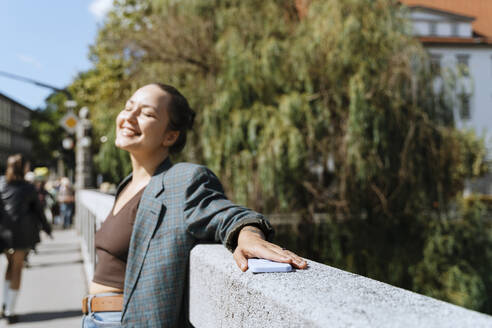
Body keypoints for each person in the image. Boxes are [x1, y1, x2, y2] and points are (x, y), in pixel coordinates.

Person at [81, 83, 308, 328]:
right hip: (95, 319)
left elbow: (230, 216)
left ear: (170, 136)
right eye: (128, 108)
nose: (129, 117)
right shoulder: (126, 184)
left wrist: (249, 236)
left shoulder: (182, 180)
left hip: (125, 321)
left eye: (146, 114)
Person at [0, 154, 52, 323]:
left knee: (8, 268)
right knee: (17, 270)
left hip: (3, 235)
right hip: (22, 235)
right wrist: (47, 229)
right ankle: (10, 310)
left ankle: (5, 305)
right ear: (23, 168)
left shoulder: (1, 184)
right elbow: (38, 211)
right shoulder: (28, 188)